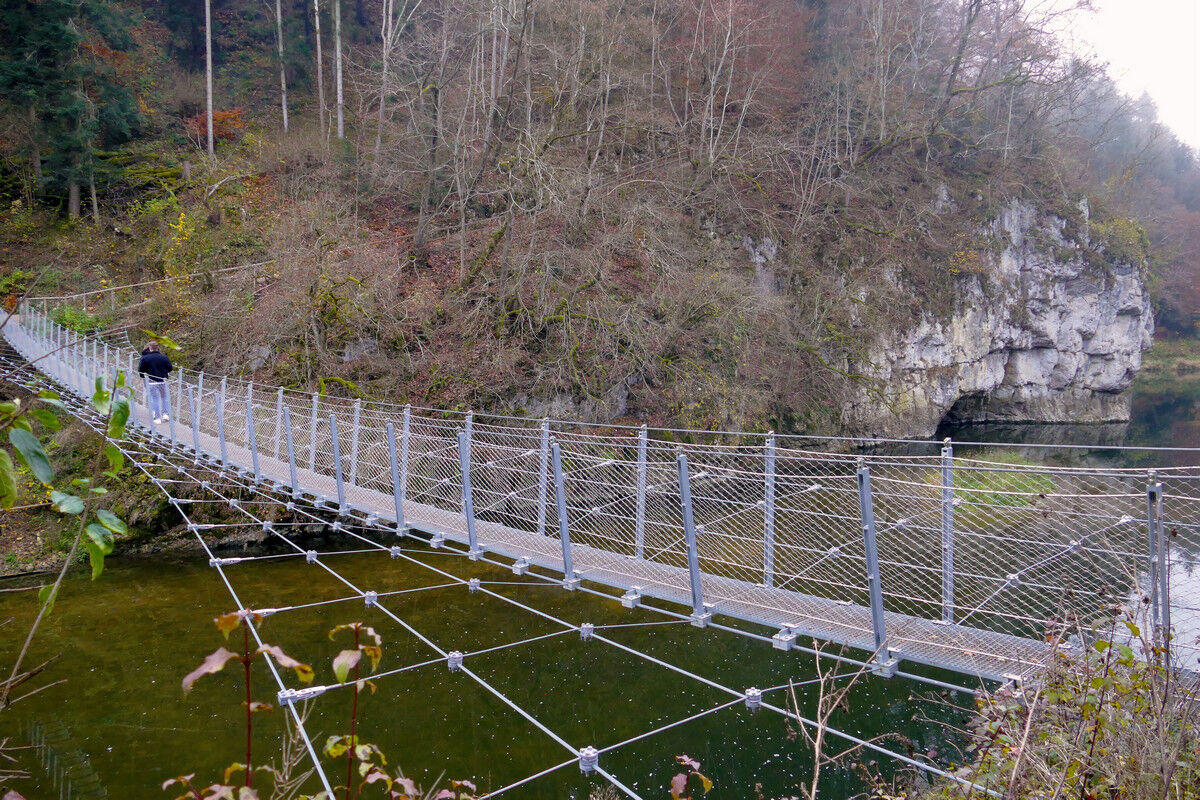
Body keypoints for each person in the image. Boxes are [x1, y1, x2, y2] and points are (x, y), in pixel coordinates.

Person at [137, 341, 173, 424]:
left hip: (151, 381)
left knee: (155, 399)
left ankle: (157, 418)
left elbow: (141, 370)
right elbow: (170, 368)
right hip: (163, 381)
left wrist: (143, 376)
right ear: (158, 348)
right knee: (164, 397)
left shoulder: (145, 358)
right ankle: (165, 414)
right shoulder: (164, 357)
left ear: (149, 348)